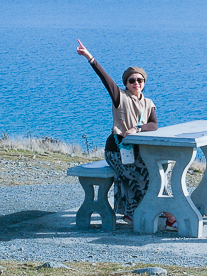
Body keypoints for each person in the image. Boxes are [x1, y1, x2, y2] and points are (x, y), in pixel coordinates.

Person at [75, 40, 176, 229]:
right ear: (126, 83)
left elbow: (153, 125)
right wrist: (89, 57)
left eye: (140, 80)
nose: (136, 83)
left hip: (137, 151)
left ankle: (137, 212)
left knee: (157, 172)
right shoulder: (119, 97)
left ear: (144, 83)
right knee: (144, 175)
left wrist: (137, 129)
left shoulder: (148, 103)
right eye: (132, 80)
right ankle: (168, 215)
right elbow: (105, 78)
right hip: (116, 151)